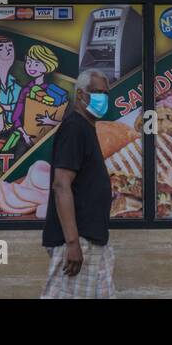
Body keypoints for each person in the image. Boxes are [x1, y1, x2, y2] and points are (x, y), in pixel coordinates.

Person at [40, 69, 114, 299]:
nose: (103, 98)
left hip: (93, 240)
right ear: (81, 95)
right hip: (79, 242)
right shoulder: (74, 128)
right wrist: (73, 243)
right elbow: (61, 185)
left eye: (106, 93)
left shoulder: (86, 128)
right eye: (97, 92)